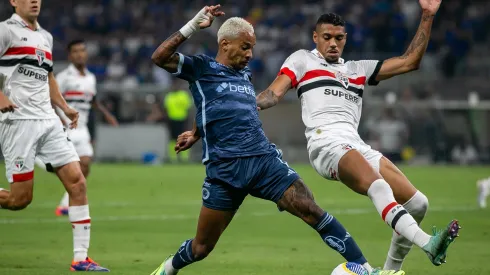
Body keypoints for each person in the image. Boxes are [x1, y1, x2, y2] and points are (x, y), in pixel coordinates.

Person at [150, 5, 403, 275]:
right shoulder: (201, 68)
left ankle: (367, 269)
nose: (250, 54)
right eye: (245, 47)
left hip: (264, 162)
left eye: (252, 48)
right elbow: (160, 57)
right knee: (201, 248)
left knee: (311, 209)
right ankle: (168, 268)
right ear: (225, 44)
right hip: (224, 170)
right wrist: (191, 26)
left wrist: (196, 131)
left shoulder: (244, 75)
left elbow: (226, 107)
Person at [256, 0, 460, 270]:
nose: (332, 43)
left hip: (356, 144)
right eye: (326, 37)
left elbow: (410, 62)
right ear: (315, 37)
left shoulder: (357, 69)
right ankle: (428, 243)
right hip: (325, 143)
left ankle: (389, 271)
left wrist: (427, 15)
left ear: (345, 39)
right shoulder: (302, 60)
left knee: (418, 204)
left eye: (338, 38)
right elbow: (273, 93)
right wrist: (245, 103)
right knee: (378, 186)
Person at [0, 0, 108, 271]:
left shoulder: (45, 37)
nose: (34, 1)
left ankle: (80, 259)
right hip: (18, 121)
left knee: (78, 183)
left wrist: (64, 106)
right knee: (19, 200)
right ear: (14, 1)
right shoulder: (5, 32)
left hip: (48, 121)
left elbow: (48, 78)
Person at [34, 39, 119, 216]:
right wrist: (60, 119)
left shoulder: (91, 77)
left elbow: (93, 100)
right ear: (70, 55)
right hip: (65, 127)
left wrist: (107, 115)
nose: (80, 54)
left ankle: (65, 204)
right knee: (67, 166)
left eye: (82, 50)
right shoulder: (64, 77)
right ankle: (36, 158)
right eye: (75, 51)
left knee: (85, 165)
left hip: (82, 128)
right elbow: (50, 98)